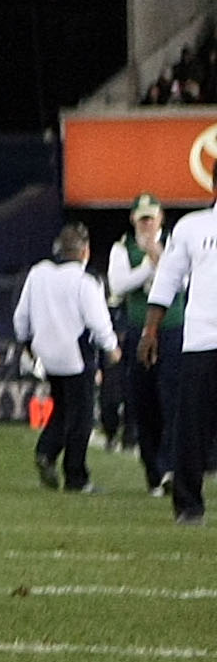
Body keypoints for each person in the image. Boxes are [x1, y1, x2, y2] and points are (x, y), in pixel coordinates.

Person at [12, 223, 119, 493]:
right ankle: (76, 477)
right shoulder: (85, 281)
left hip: (47, 354)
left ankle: (47, 451)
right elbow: (98, 321)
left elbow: (21, 316)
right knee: (81, 416)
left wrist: (26, 343)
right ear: (84, 250)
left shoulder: (38, 274)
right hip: (75, 354)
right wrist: (111, 347)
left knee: (61, 408)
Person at [148, 198, 217, 525]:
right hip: (202, 338)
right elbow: (168, 278)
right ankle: (189, 506)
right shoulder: (192, 226)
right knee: (192, 427)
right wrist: (151, 331)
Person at [111, 195, 174, 492]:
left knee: (171, 400)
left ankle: (170, 466)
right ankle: (155, 472)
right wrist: (150, 265)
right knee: (144, 402)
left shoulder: (176, 242)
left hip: (173, 328)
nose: (147, 224)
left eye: (152, 217)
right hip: (138, 329)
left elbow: (184, 282)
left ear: (161, 218)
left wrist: (160, 259)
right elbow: (118, 285)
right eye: (142, 218)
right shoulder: (123, 248)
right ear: (134, 219)